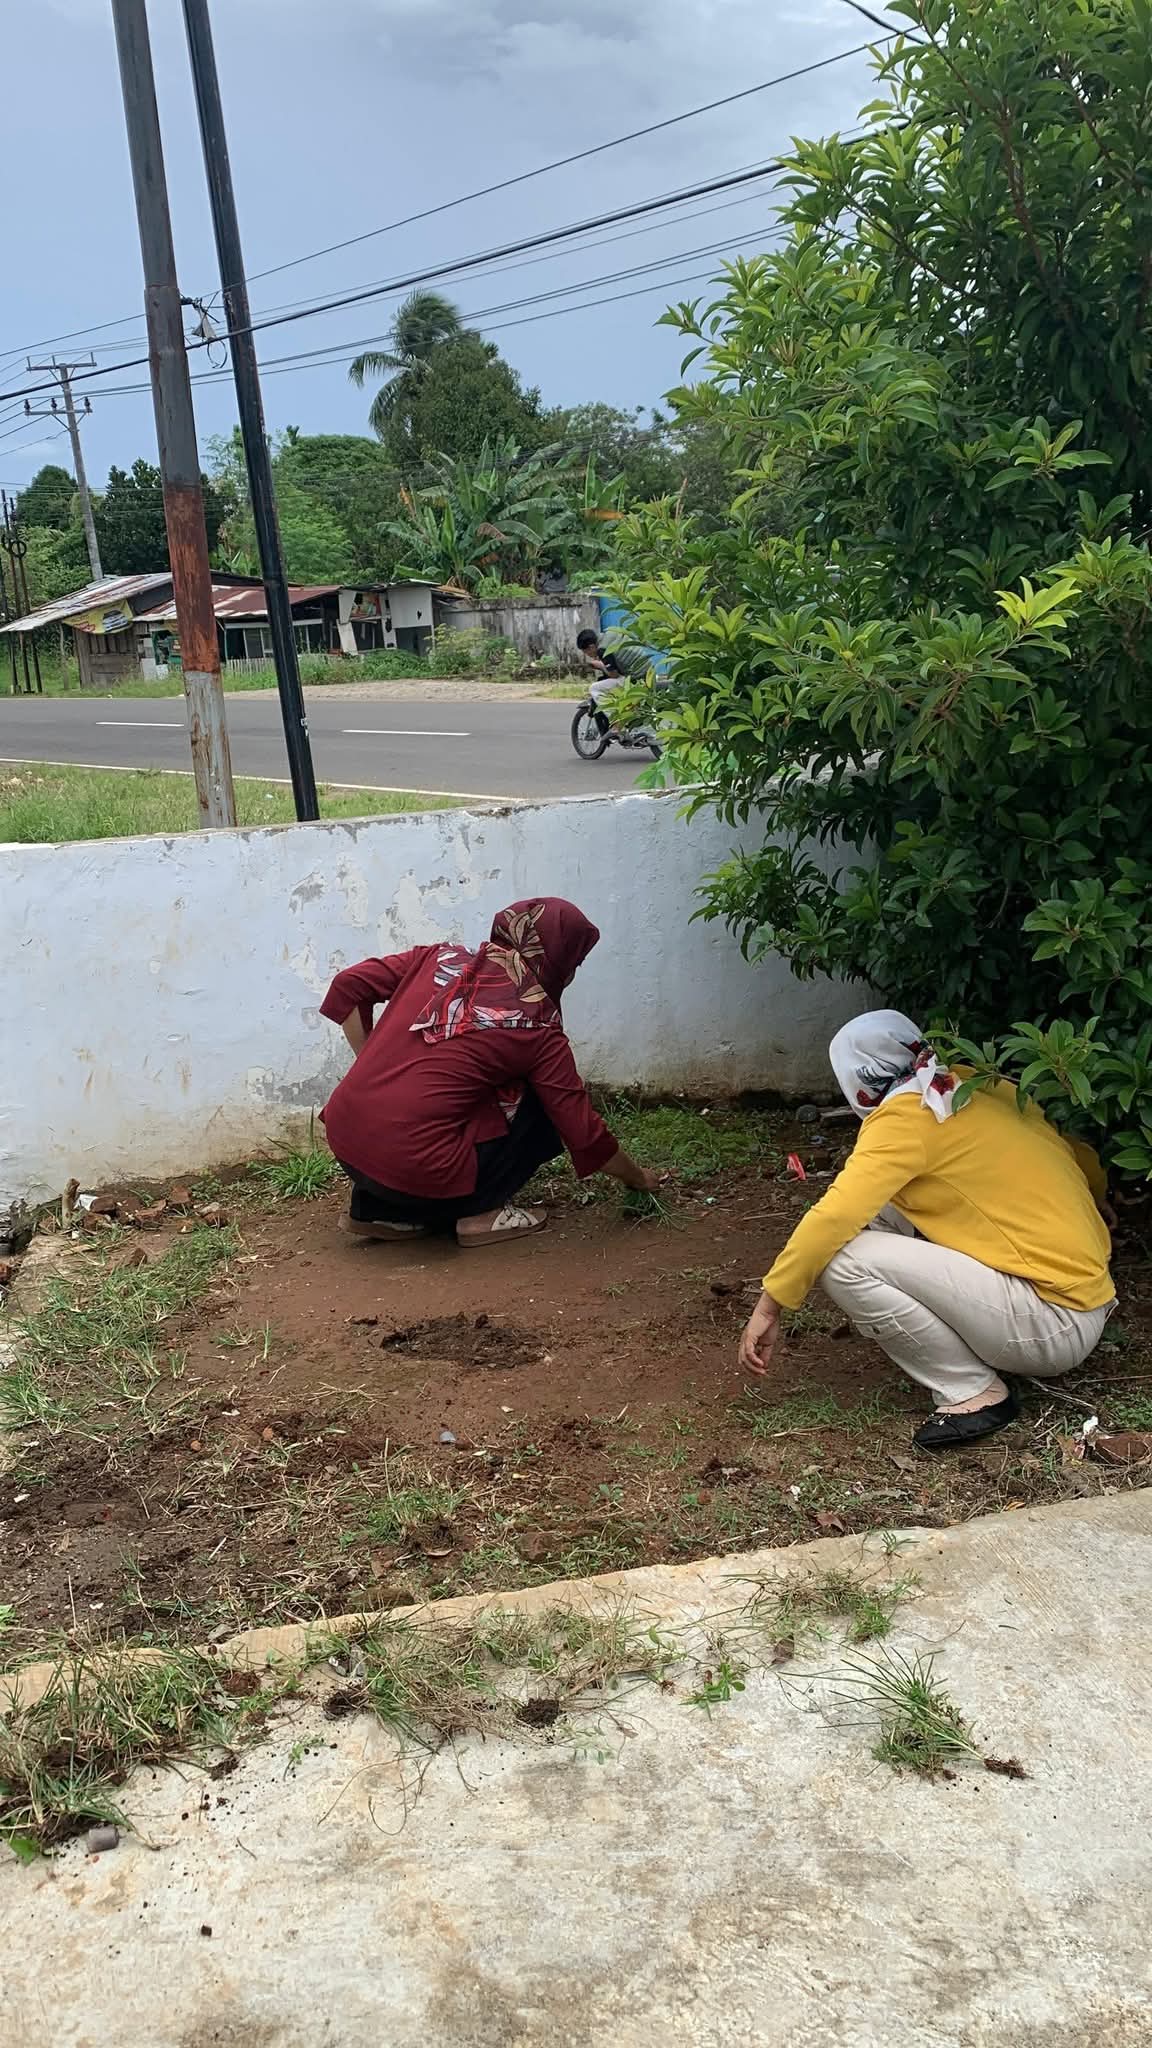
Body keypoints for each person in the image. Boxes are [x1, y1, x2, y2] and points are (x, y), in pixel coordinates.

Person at [738, 1010, 1116, 1450]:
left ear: (857, 1082)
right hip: (1085, 1296)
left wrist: (769, 1307)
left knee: (842, 1261)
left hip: (1052, 1325)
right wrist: (1098, 1197)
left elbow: (831, 1219)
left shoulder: (905, 1119)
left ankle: (972, 1392)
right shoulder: (977, 1083)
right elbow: (1073, 1152)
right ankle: (952, 1337)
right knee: (879, 1202)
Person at [319, 897, 660, 1248]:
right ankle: (481, 1213)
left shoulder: (440, 957)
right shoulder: (536, 1022)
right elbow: (582, 1131)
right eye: (576, 961)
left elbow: (348, 984)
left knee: (454, 1096)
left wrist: (370, 1059)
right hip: (414, 1162)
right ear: (560, 958)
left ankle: (375, 1210)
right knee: (541, 1100)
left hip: (345, 1137)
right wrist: (638, 1178)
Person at [576, 628, 652, 735]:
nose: (587, 655)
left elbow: (614, 674)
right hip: (649, 672)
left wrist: (600, 666)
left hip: (637, 679)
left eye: (586, 652)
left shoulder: (603, 650)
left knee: (594, 688)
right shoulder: (609, 635)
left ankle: (617, 722)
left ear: (591, 647)